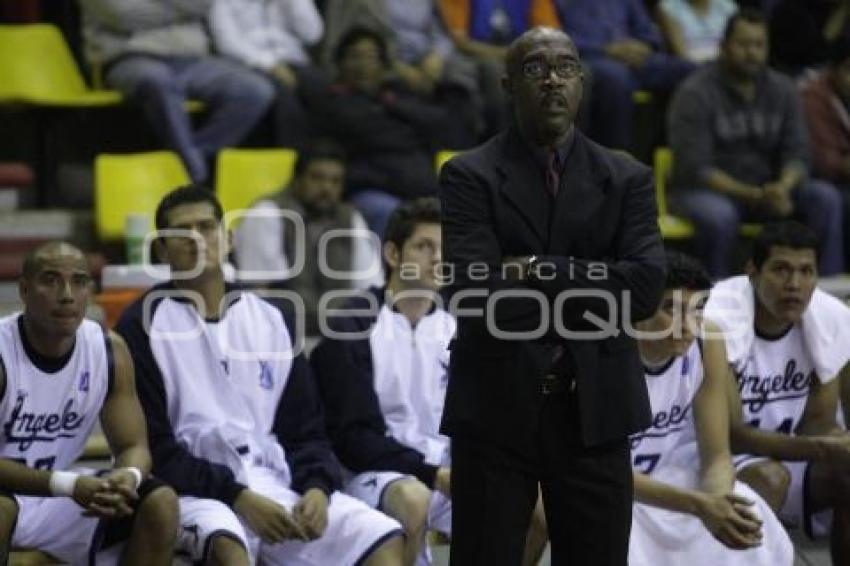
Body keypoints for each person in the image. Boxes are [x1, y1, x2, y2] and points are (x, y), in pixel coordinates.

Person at [438, 26, 666, 566]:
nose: (552, 80)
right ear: (508, 84)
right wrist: (595, 282)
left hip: (596, 407)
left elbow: (643, 291)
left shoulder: (627, 176)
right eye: (535, 69)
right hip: (496, 408)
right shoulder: (468, 174)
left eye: (565, 67)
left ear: (582, 83)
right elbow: (475, 295)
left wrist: (538, 268)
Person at [116, 185, 405, 565]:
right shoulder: (140, 325)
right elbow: (155, 447)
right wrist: (239, 497)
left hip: (273, 480)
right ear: (161, 251)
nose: (197, 240)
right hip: (195, 492)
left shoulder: (273, 317)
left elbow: (305, 429)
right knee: (229, 551)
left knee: (382, 538)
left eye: (207, 227)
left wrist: (317, 488)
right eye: (181, 233)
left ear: (229, 238)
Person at [311, 197, 548, 565]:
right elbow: (352, 438)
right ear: (392, 253)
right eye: (424, 247)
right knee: (414, 501)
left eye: (445, 249)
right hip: (377, 472)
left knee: (538, 509)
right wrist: (432, 473)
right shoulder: (351, 326)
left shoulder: (463, 325)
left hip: (449, 470)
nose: (438, 258)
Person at [0, 242, 179, 564]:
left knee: (160, 503)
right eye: (50, 280)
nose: (66, 294)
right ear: (24, 290)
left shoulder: (108, 350)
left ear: (91, 291)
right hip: (14, 496)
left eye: (79, 281)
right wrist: (68, 485)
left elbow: (134, 446)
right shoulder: (3, 352)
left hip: (56, 495)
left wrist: (129, 476)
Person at [629, 250, 793, 566]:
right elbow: (607, 473)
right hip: (613, 486)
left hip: (671, 472)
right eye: (670, 310)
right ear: (637, 308)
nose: (687, 326)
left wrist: (719, 501)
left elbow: (716, 454)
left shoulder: (708, 340)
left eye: (697, 310)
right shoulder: (607, 355)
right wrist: (698, 505)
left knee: (744, 510)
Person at [704, 221, 850, 565]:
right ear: (752, 272)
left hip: (791, 453)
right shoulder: (718, 323)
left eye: (806, 271)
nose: (794, 285)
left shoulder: (829, 320)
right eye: (781, 270)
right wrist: (824, 445)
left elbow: (819, 423)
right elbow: (731, 435)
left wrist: (835, 445)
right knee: (769, 478)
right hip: (719, 459)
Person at [667, 8, 844, 277]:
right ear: (724, 46)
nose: (752, 53)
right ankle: (715, 300)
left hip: (771, 190)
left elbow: (798, 152)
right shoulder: (695, 92)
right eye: (743, 44)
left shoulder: (783, 89)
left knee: (825, 198)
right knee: (719, 216)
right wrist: (754, 195)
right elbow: (696, 167)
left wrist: (783, 187)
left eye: (759, 45)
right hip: (708, 192)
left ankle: (826, 295)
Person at [79, 0, 276, 183]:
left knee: (254, 91)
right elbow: (122, 15)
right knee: (159, 82)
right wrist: (179, 8)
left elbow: (203, 4)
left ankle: (188, 159)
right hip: (127, 58)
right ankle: (195, 172)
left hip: (190, 59)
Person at [302, 27, 457, 237]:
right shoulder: (332, 103)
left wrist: (391, 105)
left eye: (371, 57)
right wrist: (408, 127)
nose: (362, 65)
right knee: (389, 213)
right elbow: (364, 131)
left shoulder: (396, 95)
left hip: (421, 189)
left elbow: (439, 122)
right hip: (371, 191)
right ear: (340, 64)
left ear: (384, 65)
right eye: (354, 56)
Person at [234, 139, 383, 337]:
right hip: (284, 335)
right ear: (297, 179)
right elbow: (260, 295)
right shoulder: (267, 214)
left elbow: (369, 287)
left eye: (335, 181)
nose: (326, 188)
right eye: (317, 178)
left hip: (339, 334)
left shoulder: (349, 218)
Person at [555, 0, 696, 151]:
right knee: (616, 79)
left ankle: (686, 150)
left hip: (637, 58)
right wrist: (607, 49)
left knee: (687, 69)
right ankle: (616, 159)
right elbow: (561, 38)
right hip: (594, 57)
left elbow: (648, 32)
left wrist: (643, 45)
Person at [209, 0, 324, 147]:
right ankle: (296, 159)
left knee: (317, 84)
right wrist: (270, 65)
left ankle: (325, 156)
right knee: (283, 95)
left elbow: (313, 35)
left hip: (293, 59)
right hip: (250, 63)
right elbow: (227, 43)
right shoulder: (224, 3)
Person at [800, 36, 850, 268]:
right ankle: (834, 283)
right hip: (822, 180)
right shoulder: (814, 97)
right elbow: (825, 162)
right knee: (829, 199)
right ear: (835, 70)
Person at [657, 0, 738, 63]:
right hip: (692, 68)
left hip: (727, 64)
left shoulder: (728, 6)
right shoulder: (668, 7)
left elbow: (736, 44)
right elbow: (681, 54)